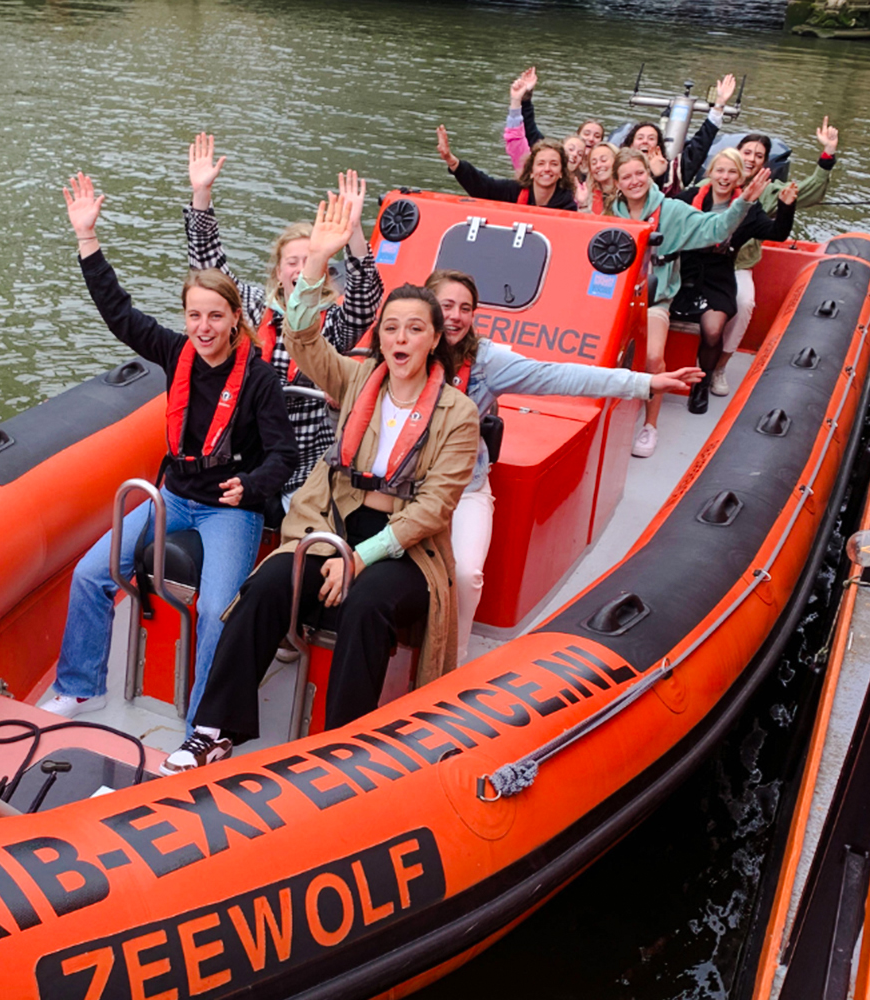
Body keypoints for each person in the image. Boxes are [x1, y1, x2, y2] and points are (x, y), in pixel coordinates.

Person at [163, 194, 479, 773]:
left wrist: (359, 558)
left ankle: (338, 753)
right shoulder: (358, 378)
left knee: (365, 607)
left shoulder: (458, 414)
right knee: (263, 588)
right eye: (391, 328)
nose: (400, 338)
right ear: (380, 338)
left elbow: (432, 509)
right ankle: (213, 729)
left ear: (436, 339)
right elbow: (304, 336)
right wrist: (317, 265)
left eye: (414, 328)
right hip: (331, 523)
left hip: (403, 546)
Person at [41, 173, 297, 727]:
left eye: (215, 316)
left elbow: (284, 456)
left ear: (235, 319)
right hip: (173, 496)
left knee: (213, 612)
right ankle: (79, 685)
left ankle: (203, 721)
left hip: (230, 512)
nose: (203, 327)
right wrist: (88, 239)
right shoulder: (172, 350)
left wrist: (251, 486)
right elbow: (119, 312)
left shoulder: (257, 381)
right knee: (90, 573)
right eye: (194, 315)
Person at [427, 270, 701, 662]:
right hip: (408, 487)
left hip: (466, 487)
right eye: (446, 305)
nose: (455, 316)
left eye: (466, 308)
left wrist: (646, 384)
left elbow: (559, 375)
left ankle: (452, 660)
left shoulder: (485, 361)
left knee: (467, 573)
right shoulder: (407, 348)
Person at [184, 133, 384, 502]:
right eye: (292, 261)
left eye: (311, 260)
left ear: (323, 271)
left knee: (301, 516)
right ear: (278, 270)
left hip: (304, 460)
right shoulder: (253, 306)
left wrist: (354, 231)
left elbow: (366, 300)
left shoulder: (334, 322)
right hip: (246, 447)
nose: (300, 267)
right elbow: (208, 266)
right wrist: (201, 195)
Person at [605, 148, 773, 458]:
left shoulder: (672, 210)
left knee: (654, 359)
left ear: (649, 174)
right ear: (616, 182)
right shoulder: (608, 214)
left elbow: (716, 229)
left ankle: (650, 426)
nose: (634, 181)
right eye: (626, 176)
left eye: (639, 173)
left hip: (655, 300)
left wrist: (744, 201)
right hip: (613, 300)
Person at [707, 118, 840, 396]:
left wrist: (826, 156)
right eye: (747, 152)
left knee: (744, 303)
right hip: (701, 263)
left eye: (759, 156)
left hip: (737, 265)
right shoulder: (710, 182)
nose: (752, 159)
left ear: (765, 163)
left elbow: (808, 191)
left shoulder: (768, 191)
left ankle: (720, 367)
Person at [670, 149, 799, 414]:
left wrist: (787, 206)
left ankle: (702, 384)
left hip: (719, 277)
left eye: (731, 172)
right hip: (682, 273)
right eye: (720, 170)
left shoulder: (749, 210)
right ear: (711, 173)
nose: (724, 177)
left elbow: (777, 232)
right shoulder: (687, 199)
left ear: (740, 176)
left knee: (714, 329)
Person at [621, 73, 737, 194]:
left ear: (658, 147)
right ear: (630, 145)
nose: (645, 141)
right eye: (640, 138)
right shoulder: (616, 168)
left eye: (651, 138)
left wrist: (718, 105)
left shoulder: (673, 172)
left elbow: (699, 146)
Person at [436, 126, 578, 211]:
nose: (547, 169)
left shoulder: (568, 205)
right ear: (531, 171)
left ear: (561, 173)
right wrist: (452, 161)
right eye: (541, 164)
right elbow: (483, 186)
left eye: (554, 164)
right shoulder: (513, 190)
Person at [501, 65, 605, 172]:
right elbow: (526, 130)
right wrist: (524, 97)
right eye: (586, 134)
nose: (591, 139)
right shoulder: (545, 160)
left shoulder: (596, 176)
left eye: (597, 136)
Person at [581, 142, 619, 214]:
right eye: (594, 163)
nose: (598, 165)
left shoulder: (627, 192)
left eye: (603, 160)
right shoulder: (585, 195)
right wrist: (583, 205)